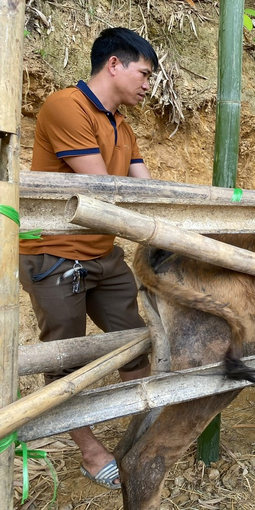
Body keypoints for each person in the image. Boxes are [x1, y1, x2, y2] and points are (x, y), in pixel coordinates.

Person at [19, 27, 158, 490]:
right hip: (54, 256)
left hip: (103, 254)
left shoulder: (123, 125)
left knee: (136, 341)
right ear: (113, 64)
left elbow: (147, 191)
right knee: (65, 357)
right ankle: (89, 448)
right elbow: (104, 191)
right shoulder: (66, 106)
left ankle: (138, 432)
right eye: (143, 73)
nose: (147, 85)